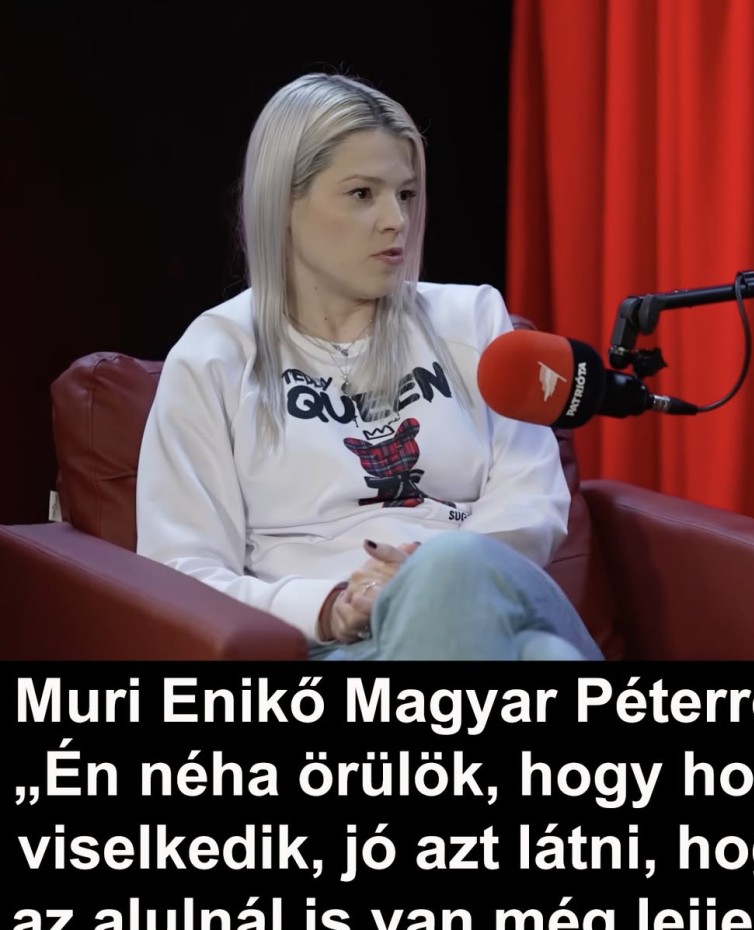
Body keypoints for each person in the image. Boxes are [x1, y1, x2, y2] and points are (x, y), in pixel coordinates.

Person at [135, 71, 603, 662]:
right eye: (362, 194)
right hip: (342, 648)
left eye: (405, 194)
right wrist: (329, 605)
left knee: (456, 570)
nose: (396, 220)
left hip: (494, 594)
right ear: (283, 204)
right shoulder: (215, 356)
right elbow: (182, 571)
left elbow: (531, 501)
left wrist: (426, 573)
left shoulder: (474, 320)